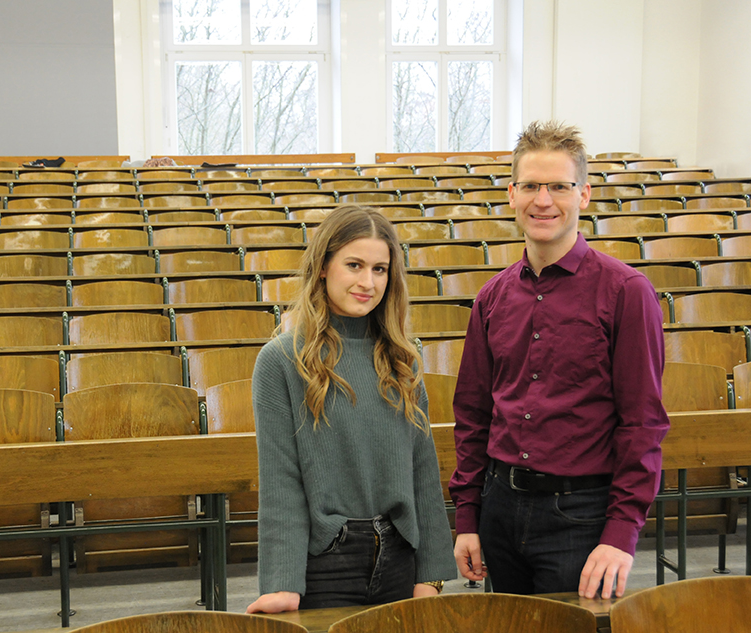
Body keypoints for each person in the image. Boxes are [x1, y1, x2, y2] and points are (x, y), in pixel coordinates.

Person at [449, 121, 670, 600]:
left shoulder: (627, 292)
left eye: (559, 186)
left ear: (584, 194)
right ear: (512, 194)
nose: (543, 200)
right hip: (499, 507)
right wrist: (467, 516)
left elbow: (643, 423)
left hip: (581, 514)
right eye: (530, 186)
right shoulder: (491, 298)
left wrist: (621, 533)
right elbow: (473, 414)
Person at [246, 204, 457, 614]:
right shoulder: (280, 361)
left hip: (400, 557)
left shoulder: (403, 360)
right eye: (354, 265)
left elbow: (422, 471)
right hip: (326, 562)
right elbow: (281, 482)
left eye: (380, 270)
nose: (367, 282)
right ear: (324, 267)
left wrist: (431, 576)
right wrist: (282, 584)